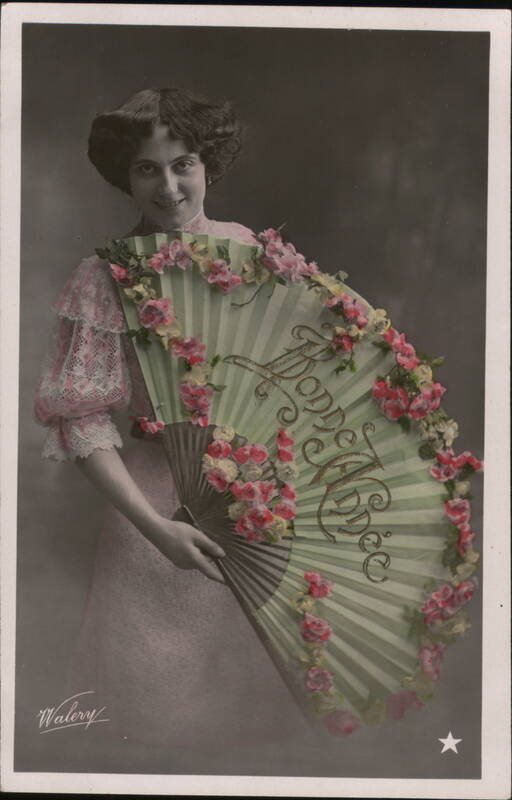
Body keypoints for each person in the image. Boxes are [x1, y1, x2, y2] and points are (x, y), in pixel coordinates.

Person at [34, 88, 309, 761]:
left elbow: (302, 379)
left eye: (182, 163)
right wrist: (155, 531)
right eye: (147, 170)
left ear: (208, 163)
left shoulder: (251, 251)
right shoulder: (101, 279)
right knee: (151, 725)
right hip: (152, 516)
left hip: (256, 508)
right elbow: (83, 423)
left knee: (255, 731)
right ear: (124, 176)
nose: (169, 186)